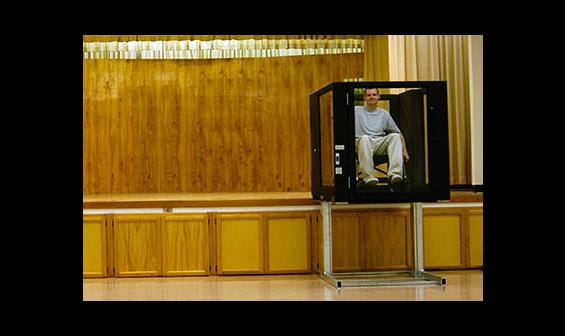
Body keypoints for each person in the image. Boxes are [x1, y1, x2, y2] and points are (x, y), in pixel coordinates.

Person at [355, 88, 410, 187]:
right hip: (362, 143)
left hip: (379, 142)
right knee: (365, 139)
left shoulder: (383, 113)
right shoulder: (356, 111)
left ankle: (395, 175)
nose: (372, 97)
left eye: (374, 94)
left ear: (378, 97)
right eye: (369, 95)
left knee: (394, 136)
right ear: (364, 98)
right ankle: (368, 178)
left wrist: (404, 150)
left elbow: (398, 132)